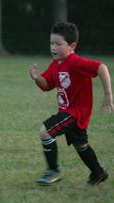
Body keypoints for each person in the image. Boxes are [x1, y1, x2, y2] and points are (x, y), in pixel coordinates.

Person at [29, 22, 114, 186]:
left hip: (76, 112)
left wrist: (108, 95)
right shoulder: (55, 64)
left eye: (58, 44)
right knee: (80, 144)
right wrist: (37, 77)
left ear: (72, 46)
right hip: (68, 111)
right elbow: (47, 84)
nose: (53, 47)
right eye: (51, 43)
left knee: (45, 132)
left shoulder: (75, 62)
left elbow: (101, 67)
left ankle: (53, 171)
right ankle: (98, 172)